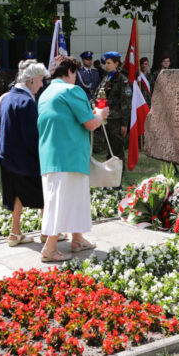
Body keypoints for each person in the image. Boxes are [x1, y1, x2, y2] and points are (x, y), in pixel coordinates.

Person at [37, 56, 110, 262]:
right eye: (75, 73)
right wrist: (101, 115)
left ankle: (77, 239)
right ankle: (50, 248)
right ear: (70, 70)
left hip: (51, 156)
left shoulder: (45, 93)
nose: (76, 77)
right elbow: (90, 123)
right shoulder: (72, 90)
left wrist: (94, 115)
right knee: (61, 202)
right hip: (70, 155)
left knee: (70, 199)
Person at [0, 60, 49, 247]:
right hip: (24, 159)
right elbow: (31, 136)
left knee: (16, 194)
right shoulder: (27, 102)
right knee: (45, 194)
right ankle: (48, 234)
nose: (42, 84)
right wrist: (43, 154)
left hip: (7, 157)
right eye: (41, 80)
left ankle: (15, 232)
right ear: (31, 80)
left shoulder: (8, 97)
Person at [93, 51, 132, 175]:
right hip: (106, 118)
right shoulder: (107, 77)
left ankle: (119, 171)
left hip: (117, 119)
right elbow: (98, 94)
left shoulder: (122, 80)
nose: (106, 65)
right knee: (108, 145)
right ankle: (110, 169)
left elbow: (126, 104)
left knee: (117, 147)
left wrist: (125, 124)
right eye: (105, 63)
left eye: (109, 63)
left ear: (116, 63)